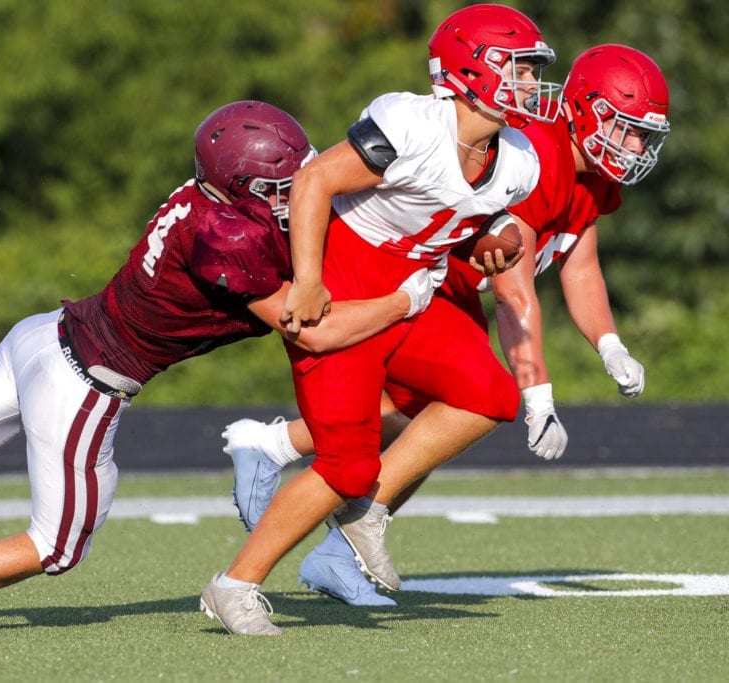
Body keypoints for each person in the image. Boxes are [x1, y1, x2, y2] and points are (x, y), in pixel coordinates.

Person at [0, 101, 440, 635]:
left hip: (44, 335)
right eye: (283, 185)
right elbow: (312, 332)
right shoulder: (231, 237)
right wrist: (404, 298)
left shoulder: (206, 201)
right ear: (242, 188)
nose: (299, 194)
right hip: (87, 382)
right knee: (55, 547)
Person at [222, 43, 671, 608]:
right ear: (587, 110)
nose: (634, 147)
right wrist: (538, 394)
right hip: (417, 279)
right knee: (415, 426)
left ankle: (326, 519)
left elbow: (580, 266)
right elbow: (514, 288)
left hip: (439, 286)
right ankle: (293, 512)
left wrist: (609, 344)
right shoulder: (540, 154)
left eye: (642, 135)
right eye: (626, 129)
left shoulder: (591, 180)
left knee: (422, 426)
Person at [200, 3, 565, 635]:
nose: (532, 86)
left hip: (412, 286)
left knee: (490, 395)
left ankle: (367, 512)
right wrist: (309, 279)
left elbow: (458, 226)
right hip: (345, 278)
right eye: (520, 70)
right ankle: (234, 585)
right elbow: (314, 181)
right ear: (472, 70)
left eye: (533, 72)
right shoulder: (411, 123)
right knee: (344, 463)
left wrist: (489, 239)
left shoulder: (519, 157)